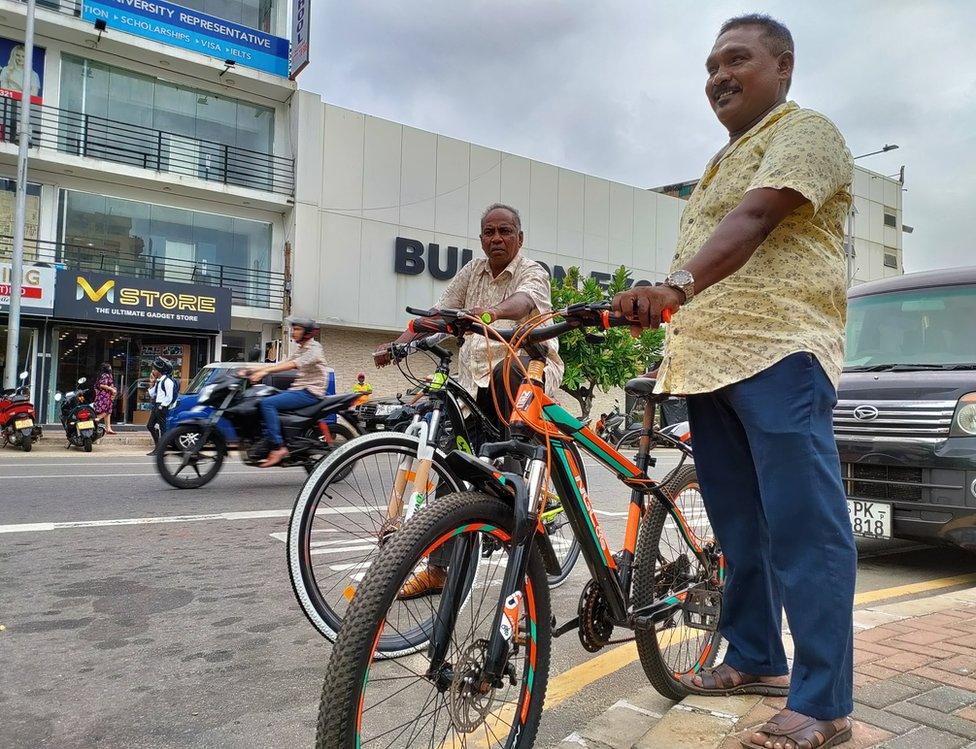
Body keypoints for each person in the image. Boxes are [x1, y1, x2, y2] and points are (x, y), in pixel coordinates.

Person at [612, 15, 856, 749]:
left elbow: (756, 218)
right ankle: (755, 656)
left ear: (782, 66)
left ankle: (824, 703)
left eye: (736, 60)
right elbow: (722, 234)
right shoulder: (720, 162)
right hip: (709, 366)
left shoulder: (806, 131)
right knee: (742, 530)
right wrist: (671, 338)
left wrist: (674, 285)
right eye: (710, 65)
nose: (718, 75)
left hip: (779, 352)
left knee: (804, 529)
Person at [375, 202, 563, 598]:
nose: (497, 238)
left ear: (519, 237)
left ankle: (526, 479)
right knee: (449, 465)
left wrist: (489, 314)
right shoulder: (471, 272)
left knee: (508, 372)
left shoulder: (533, 271)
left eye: (505, 231)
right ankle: (439, 571)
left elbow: (525, 303)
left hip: (526, 372)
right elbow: (438, 314)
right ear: (481, 239)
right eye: (489, 232)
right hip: (473, 387)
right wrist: (399, 344)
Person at [244, 315, 329, 468]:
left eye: (297, 329)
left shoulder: (314, 349)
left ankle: (278, 447)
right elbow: (283, 362)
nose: (293, 332)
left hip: (310, 392)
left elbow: (292, 364)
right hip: (300, 389)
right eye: (293, 328)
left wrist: (264, 373)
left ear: (307, 332)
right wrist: (252, 369)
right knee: (263, 397)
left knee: (267, 404)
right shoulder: (302, 348)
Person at [145, 358, 176, 455]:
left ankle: (161, 449)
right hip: (156, 405)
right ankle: (158, 447)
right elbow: (152, 394)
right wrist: (152, 382)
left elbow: (169, 397)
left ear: (160, 371)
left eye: (155, 369)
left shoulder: (168, 381)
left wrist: (162, 406)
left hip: (161, 406)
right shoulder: (159, 381)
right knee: (150, 426)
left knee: (163, 428)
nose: (153, 371)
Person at [92, 362, 117, 436]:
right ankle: (94, 421)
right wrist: (111, 389)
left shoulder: (105, 375)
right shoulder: (105, 375)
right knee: (106, 411)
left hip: (106, 395)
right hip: (104, 395)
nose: (111, 368)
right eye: (109, 367)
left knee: (108, 412)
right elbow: (102, 385)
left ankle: (108, 428)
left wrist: (113, 390)